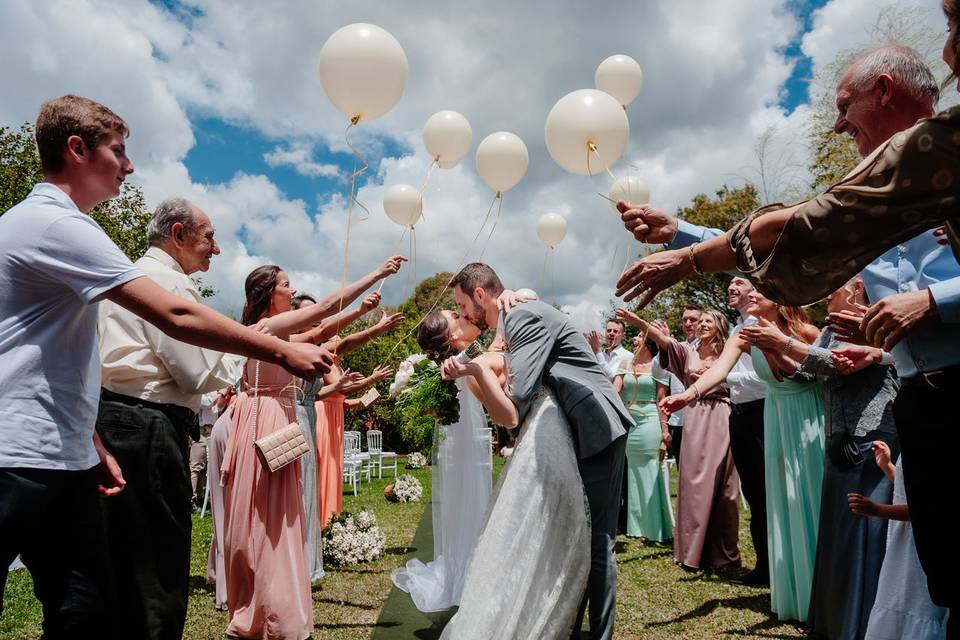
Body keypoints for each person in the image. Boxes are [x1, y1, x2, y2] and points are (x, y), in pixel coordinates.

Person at [616, 40, 959, 629]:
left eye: (844, 103)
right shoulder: (874, 192)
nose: (837, 122)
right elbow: (807, 229)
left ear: (884, 89)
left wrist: (935, 300)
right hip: (924, 407)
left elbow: (806, 228)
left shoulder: (949, 150)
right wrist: (680, 235)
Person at [0, 95, 333, 638]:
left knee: (87, 609)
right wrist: (282, 350)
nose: (130, 167)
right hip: (19, 455)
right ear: (78, 149)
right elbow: (176, 315)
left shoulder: (57, 229)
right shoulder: (55, 225)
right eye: (119, 152)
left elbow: (62, 359)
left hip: (64, 450)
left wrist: (91, 440)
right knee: (128, 591)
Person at [440, 263, 631, 640]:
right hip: (573, 429)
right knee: (576, 535)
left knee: (598, 542)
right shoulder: (511, 318)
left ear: (481, 294)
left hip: (598, 427)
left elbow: (514, 407)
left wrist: (476, 372)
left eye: (462, 305)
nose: (463, 315)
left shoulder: (521, 315)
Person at [219, 259, 401, 639]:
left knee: (280, 520)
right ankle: (262, 611)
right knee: (265, 520)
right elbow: (320, 314)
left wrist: (365, 317)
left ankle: (270, 608)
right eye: (287, 284)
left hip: (274, 419)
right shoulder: (265, 328)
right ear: (270, 295)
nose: (292, 289)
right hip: (266, 420)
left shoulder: (277, 334)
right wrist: (376, 274)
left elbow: (325, 333)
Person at [96, 197, 246, 639]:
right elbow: (194, 371)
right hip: (151, 426)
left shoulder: (125, 279)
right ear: (178, 235)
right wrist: (237, 361)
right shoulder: (169, 285)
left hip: (111, 423)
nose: (215, 249)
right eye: (209, 237)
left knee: (120, 557)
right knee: (160, 563)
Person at [744, 277, 898, 639]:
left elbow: (839, 364)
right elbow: (808, 372)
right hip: (836, 441)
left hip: (872, 440)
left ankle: (864, 625)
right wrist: (771, 348)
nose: (827, 292)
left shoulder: (875, 323)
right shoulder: (829, 328)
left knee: (864, 533)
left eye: (836, 286)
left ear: (858, 287)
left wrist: (782, 341)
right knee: (838, 536)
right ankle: (835, 622)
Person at [660, 292, 824, 622]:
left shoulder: (807, 331)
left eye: (757, 291)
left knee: (807, 497)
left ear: (779, 298)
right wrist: (688, 395)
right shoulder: (742, 335)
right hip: (776, 417)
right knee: (775, 500)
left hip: (806, 416)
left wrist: (779, 346)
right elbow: (718, 370)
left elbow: (821, 369)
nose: (749, 295)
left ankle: (822, 586)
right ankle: (790, 583)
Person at [617, 308, 741, 571]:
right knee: (693, 480)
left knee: (724, 484)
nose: (702, 325)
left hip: (721, 413)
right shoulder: (688, 351)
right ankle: (692, 552)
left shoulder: (730, 351)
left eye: (708, 321)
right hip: (695, 416)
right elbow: (665, 343)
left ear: (719, 325)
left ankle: (723, 553)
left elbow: (738, 379)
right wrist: (637, 322)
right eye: (701, 321)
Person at [391, 309, 493, 612]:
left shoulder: (469, 356)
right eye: (454, 316)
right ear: (449, 334)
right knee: (461, 503)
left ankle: (473, 569)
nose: (460, 315)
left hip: (469, 440)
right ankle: (460, 575)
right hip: (455, 441)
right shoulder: (439, 367)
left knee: (474, 502)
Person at [289, 291, 386, 581]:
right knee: (313, 478)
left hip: (327, 414)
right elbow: (341, 343)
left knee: (323, 474)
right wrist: (371, 323)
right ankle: (315, 533)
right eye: (308, 314)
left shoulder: (324, 352)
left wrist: (367, 389)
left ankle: (322, 530)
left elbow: (342, 394)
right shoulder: (295, 346)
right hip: (312, 417)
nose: (314, 320)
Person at [850, 443, 948, 640]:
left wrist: (877, 510)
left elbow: (929, 509)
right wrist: (887, 466)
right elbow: (912, 491)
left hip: (922, 546)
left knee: (918, 606)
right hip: (902, 544)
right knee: (896, 599)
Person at [314, 315, 402, 528]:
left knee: (334, 468)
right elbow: (341, 389)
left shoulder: (338, 367)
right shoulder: (325, 365)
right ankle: (320, 520)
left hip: (335, 419)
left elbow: (342, 402)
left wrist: (363, 401)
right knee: (324, 467)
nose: (337, 342)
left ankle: (331, 518)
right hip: (323, 420)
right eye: (332, 339)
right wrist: (371, 379)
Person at [720, 277, 771, 586]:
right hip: (738, 415)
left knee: (767, 494)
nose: (731, 287)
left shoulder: (763, 325)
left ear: (756, 291)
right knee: (753, 495)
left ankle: (772, 568)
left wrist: (727, 381)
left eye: (739, 282)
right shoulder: (735, 328)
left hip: (762, 414)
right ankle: (763, 566)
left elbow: (767, 379)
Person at [612, 336, 673, 541]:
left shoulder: (659, 367)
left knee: (650, 471)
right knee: (633, 473)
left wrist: (664, 429)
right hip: (630, 419)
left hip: (649, 420)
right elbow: (614, 391)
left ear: (649, 346)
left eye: (638, 340)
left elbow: (660, 399)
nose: (634, 342)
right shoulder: (624, 364)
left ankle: (656, 528)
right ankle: (637, 527)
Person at [205, 385, 235, 612]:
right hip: (238, 423)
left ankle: (220, 577)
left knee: (224, 508)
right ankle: (228, 589)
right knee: (235, 510)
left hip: (228, 421)